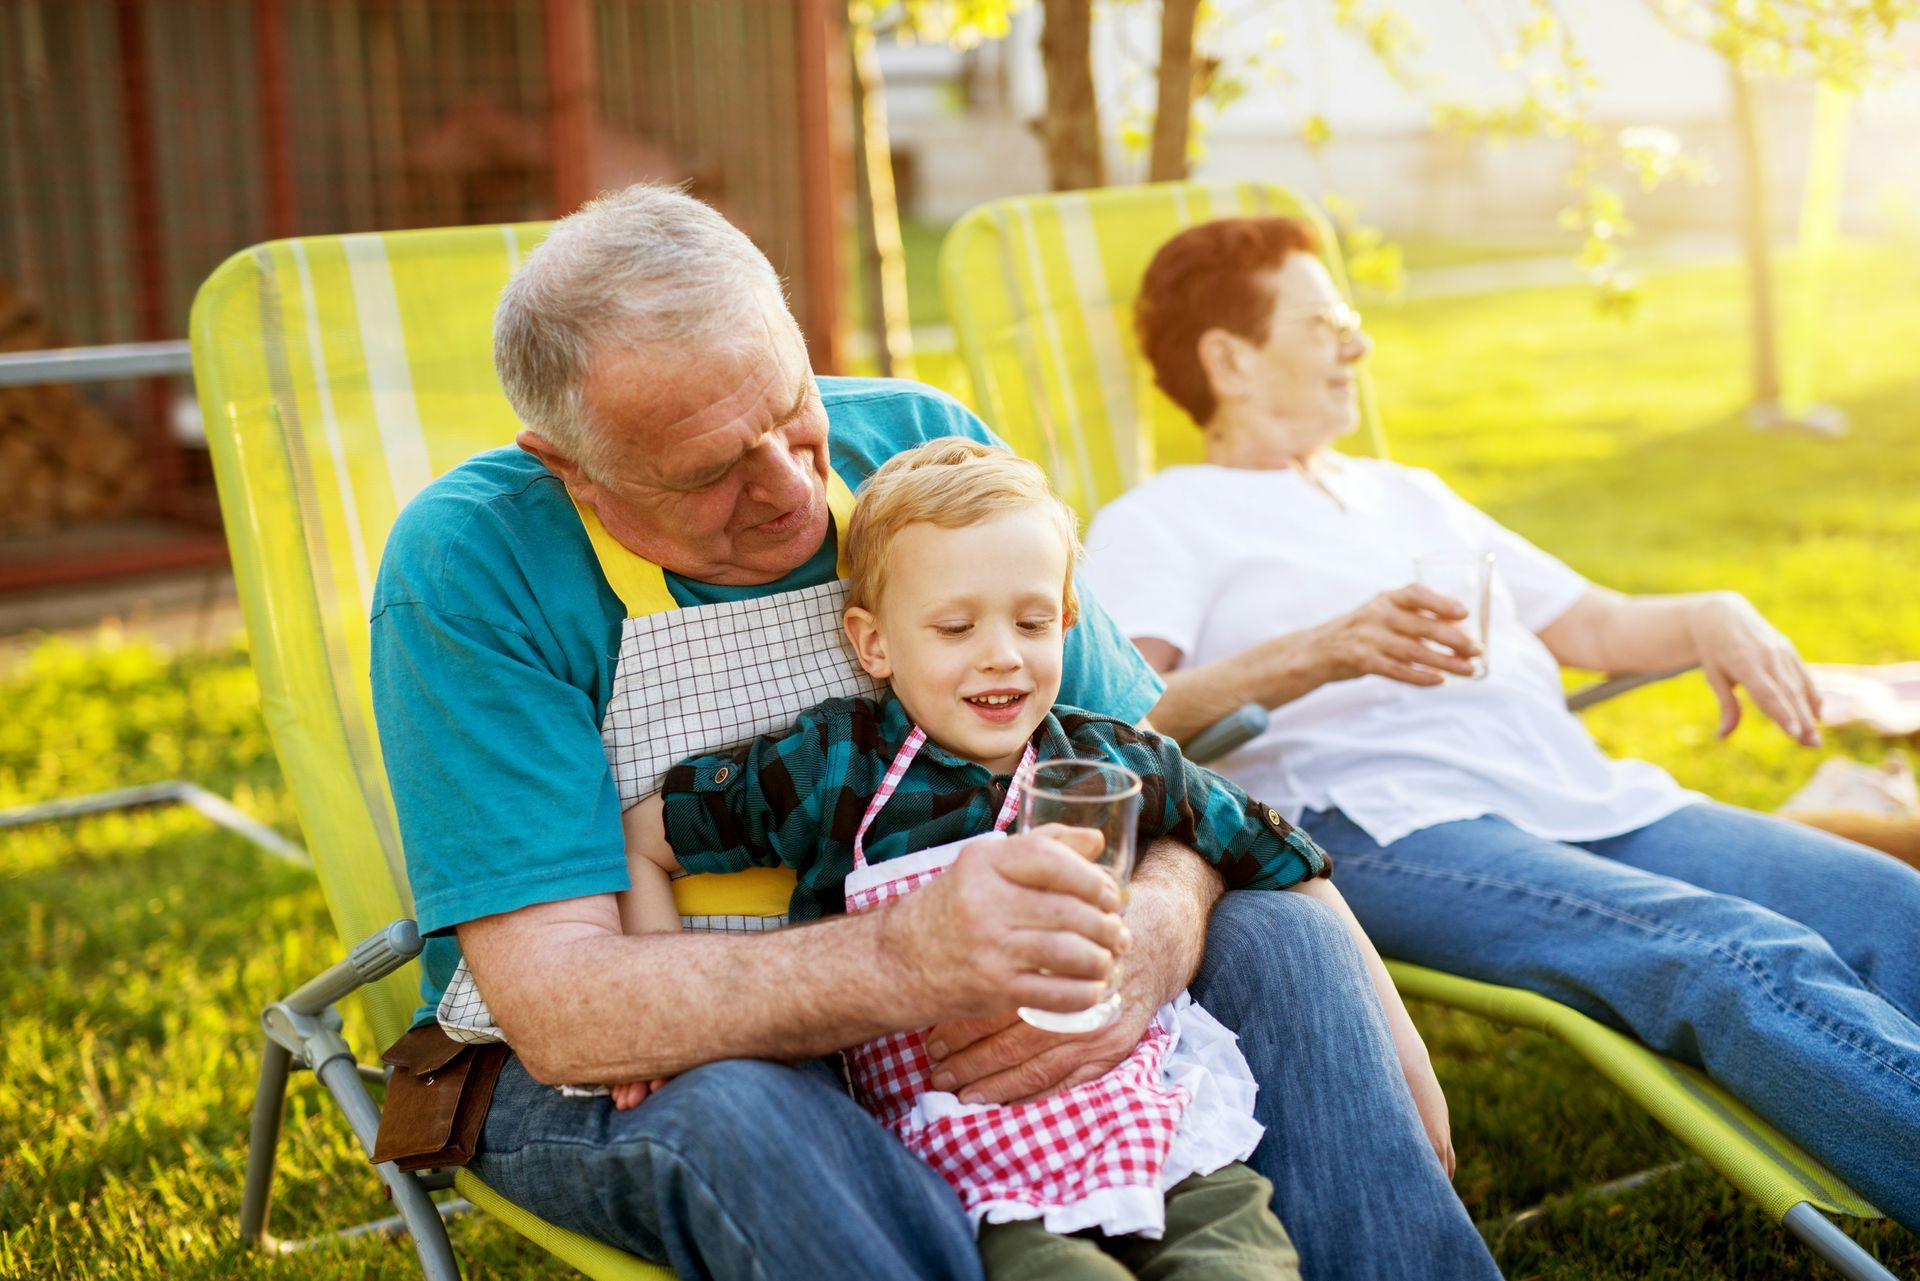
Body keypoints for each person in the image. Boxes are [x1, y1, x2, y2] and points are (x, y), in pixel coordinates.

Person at [369, 185, 1501, 1281]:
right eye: (711, 473)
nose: (787, 491)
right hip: (638, 1065)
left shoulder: (919, 448)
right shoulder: (472, 566)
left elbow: (1136, 769)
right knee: (749, 1112)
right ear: (566, 464)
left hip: (981, 1001)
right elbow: (567, 1014)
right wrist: (911, 959)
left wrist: (1152, 932)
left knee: (1276, 933)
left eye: (790, 412)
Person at [1082, 213, 1920, 1232]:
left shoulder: (1408, 495)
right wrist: (1322, 649)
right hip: (1388, 824)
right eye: (1325, 320)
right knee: (1728, 956)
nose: (1359, 340)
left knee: (1887, 905)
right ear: (1230, 358)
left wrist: (1712, 613)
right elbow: (1110, 722)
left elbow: (1599, 623)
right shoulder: (1164, 518)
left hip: (1583, 797)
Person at [610, 436, 1340, 1279]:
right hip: (961, 1159)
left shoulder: (1115, 764)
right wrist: (660, 1011)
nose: (1001, 653)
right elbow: (641, 839)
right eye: (956, 626)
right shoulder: (833, 767)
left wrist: (1405, 1058)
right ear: (874, 643)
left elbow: (1282, 851)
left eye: (1031, 621)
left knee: (1242, 1266)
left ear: (1067, 620)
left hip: (1148, 1120)